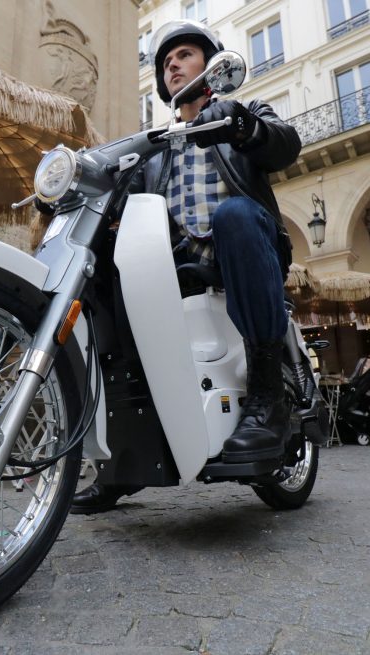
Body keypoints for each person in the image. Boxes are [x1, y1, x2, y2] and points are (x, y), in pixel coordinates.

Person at [72, 19, 302, 515]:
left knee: (234, 213)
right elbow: (120, 207)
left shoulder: (240, 112)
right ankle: (122, 452)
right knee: (102, 272)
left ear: (211, 64)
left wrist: (246, 126)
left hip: (243, 246)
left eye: (183, 55)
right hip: (175, 265)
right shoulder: (154, 147)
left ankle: (268, 398)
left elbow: (286, 144)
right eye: (165, 61)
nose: (172, 63)